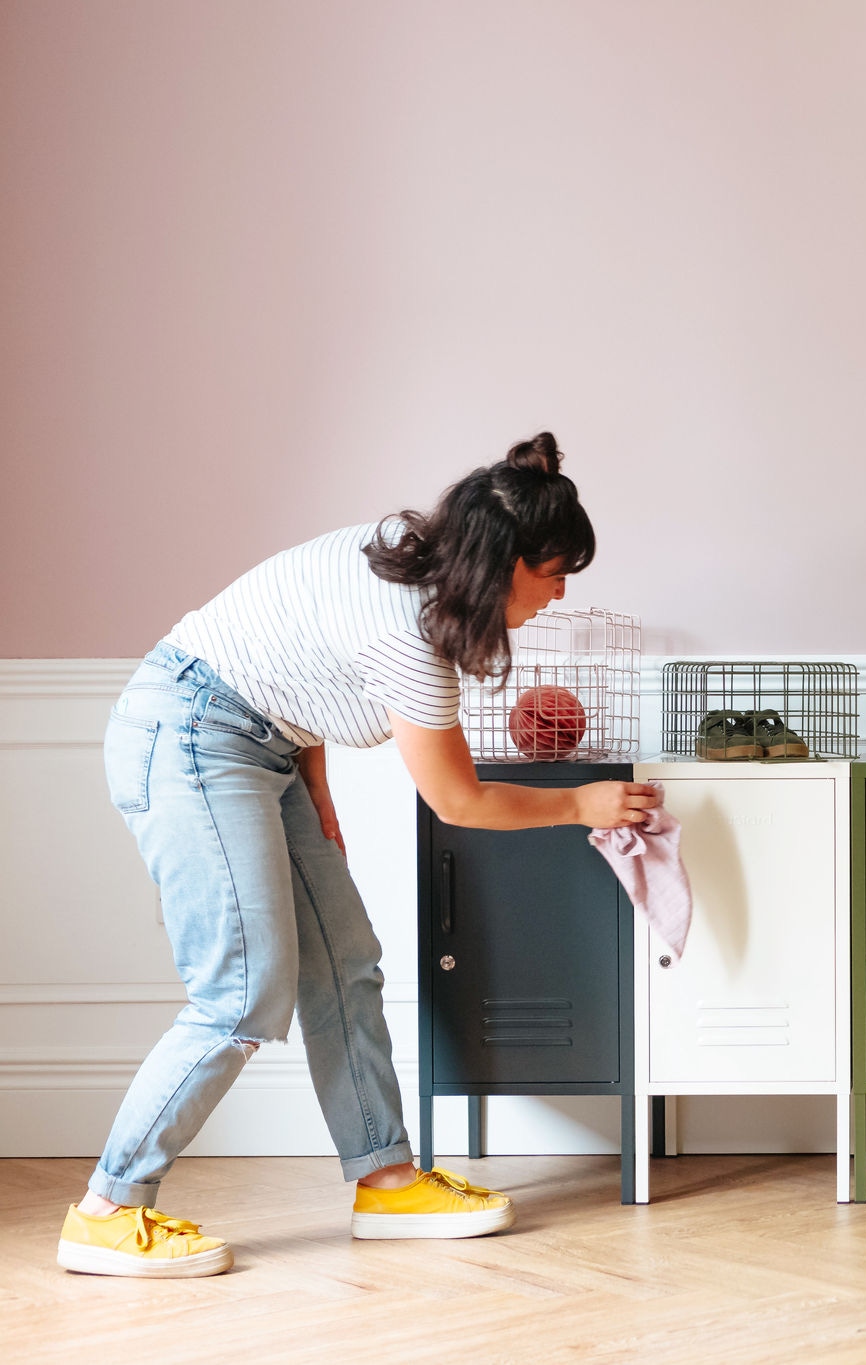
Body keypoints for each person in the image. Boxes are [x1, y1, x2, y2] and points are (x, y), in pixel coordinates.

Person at [58, 433, 659, 1278]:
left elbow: (291, 653)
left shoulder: (401, 554)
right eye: (555, 572)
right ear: (504, 564)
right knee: (240, 991)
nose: (560, 593)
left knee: (346, 964)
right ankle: (107, 1207)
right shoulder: (409, 637)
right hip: (189, 738)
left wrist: (315, 787)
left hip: (254, 744)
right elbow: (459, 800)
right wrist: (581, 803)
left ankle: (387, 1181)